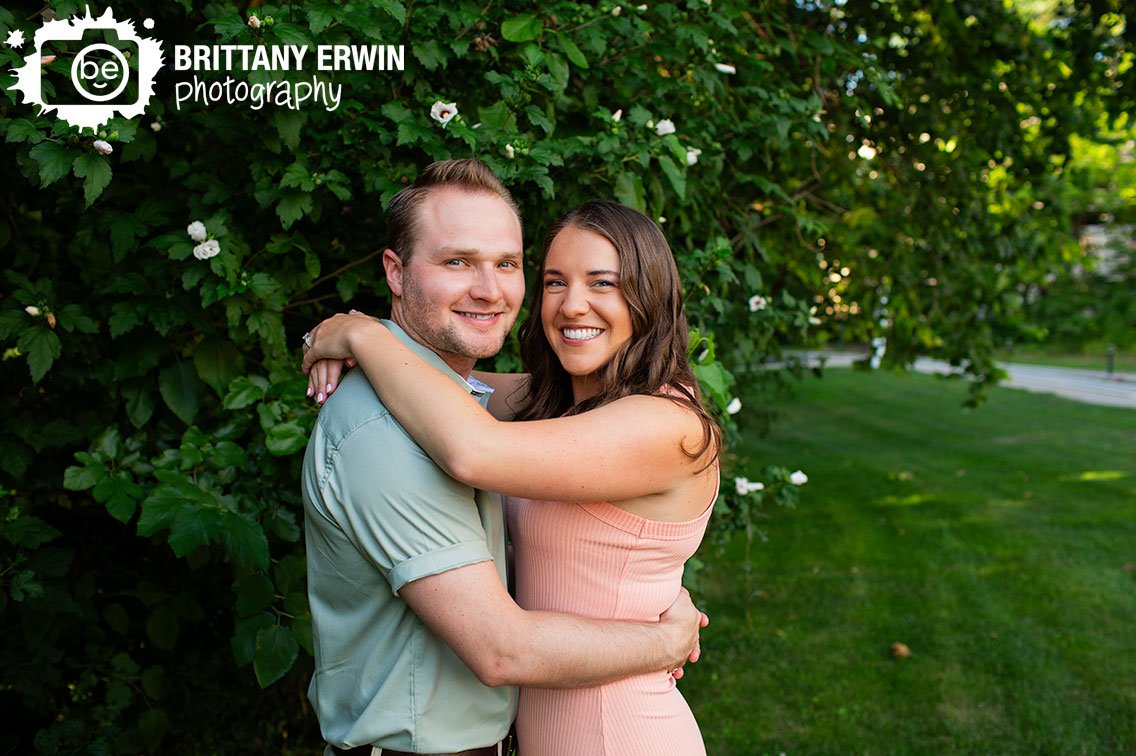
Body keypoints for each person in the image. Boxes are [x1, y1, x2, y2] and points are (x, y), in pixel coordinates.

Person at [300, 160, 706, 756]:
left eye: (603, 282)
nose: (572, 305)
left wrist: (365, 337)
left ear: (650, 295)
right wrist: (346, 339)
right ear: (396, 271)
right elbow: (458, 394)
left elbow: (470, 441)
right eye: (554, 281)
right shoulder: (540, 407)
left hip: (622, 734)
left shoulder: (662, 423)